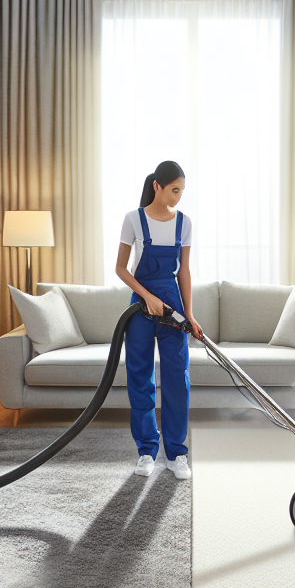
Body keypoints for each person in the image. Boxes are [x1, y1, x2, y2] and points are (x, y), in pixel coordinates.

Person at [115, 160, 204, 480]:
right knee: (140, 379)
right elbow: (121, 268)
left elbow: (185, 272)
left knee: (177, 380)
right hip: (140, 308)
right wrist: (147, 297)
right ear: (157, 186)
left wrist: (190, 315)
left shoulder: (185, 223)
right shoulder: (133, 219)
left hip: (173, 311)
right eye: (174, 190)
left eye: (181, 191)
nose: (178, 197)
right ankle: (146, 452)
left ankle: (176, 454)